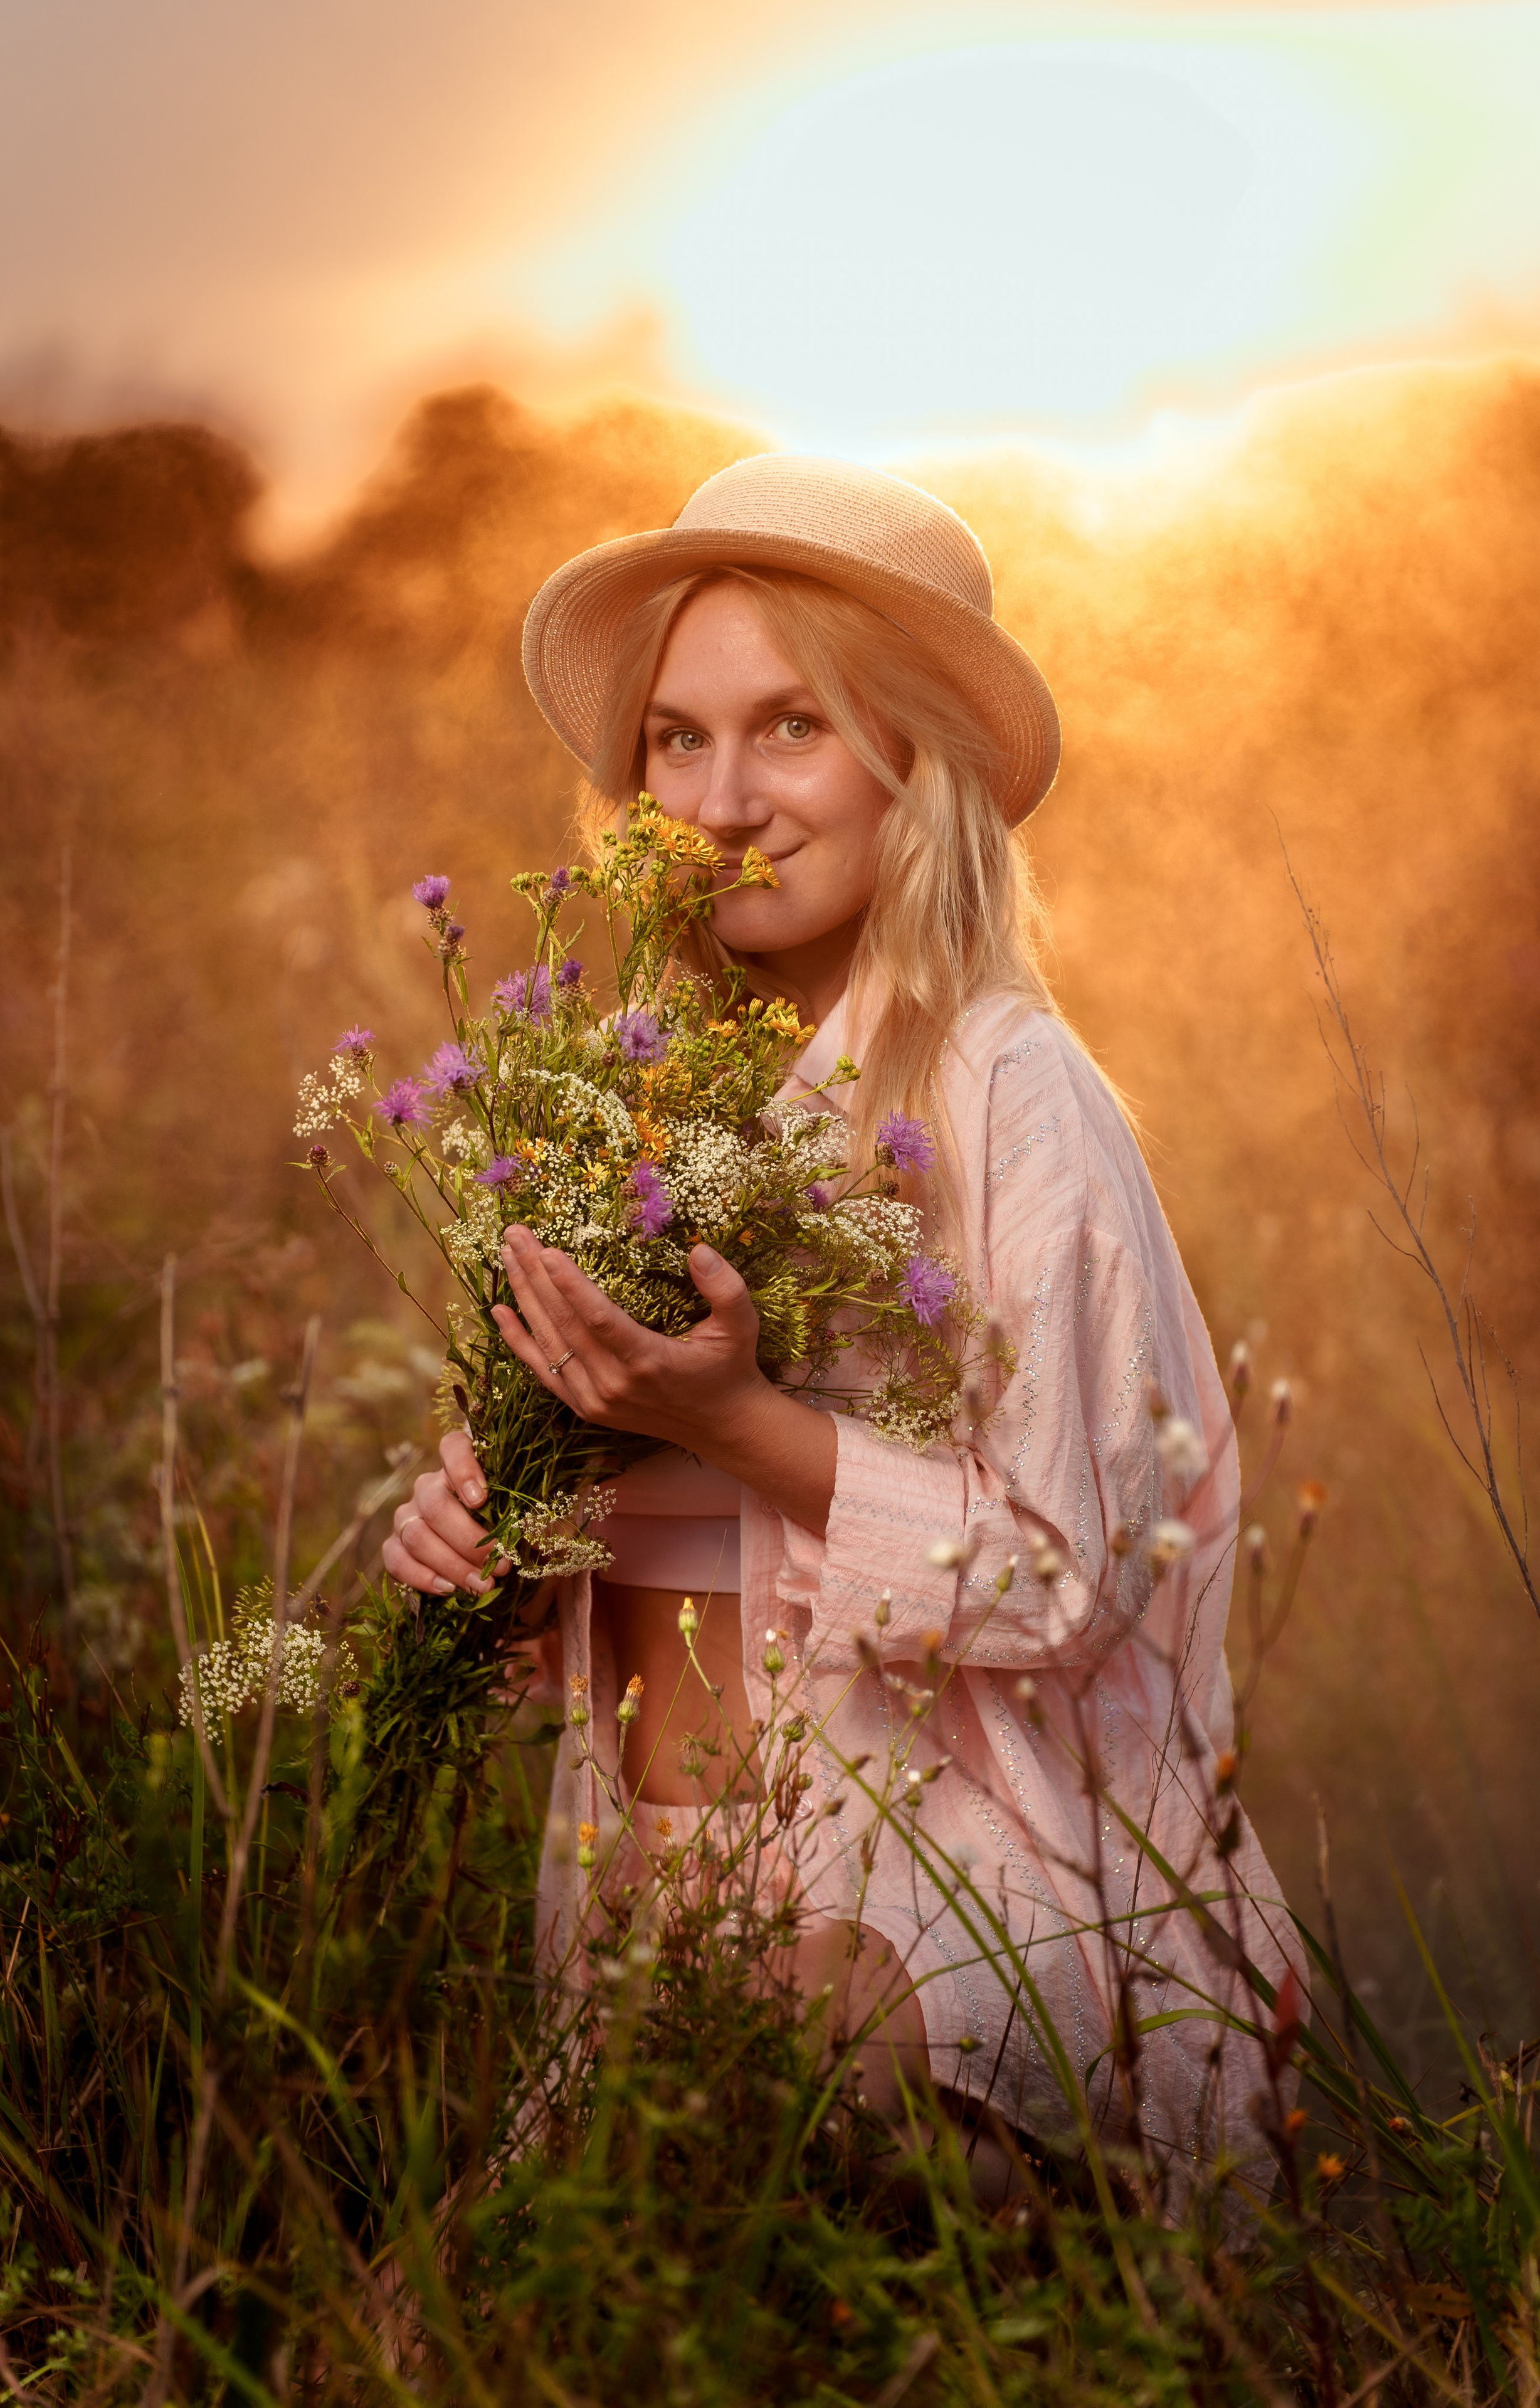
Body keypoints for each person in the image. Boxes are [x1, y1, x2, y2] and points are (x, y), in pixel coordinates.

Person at [382, 453, 1300, 2203]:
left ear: (913, 766)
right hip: (672, 1907)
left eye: (791, 727)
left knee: (738, 2117)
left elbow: (1064, 1575)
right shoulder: (625, 1129)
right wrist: (499, 1550)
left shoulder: (1006, 1094)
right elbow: (649, 1637)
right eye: (677, 738)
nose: (724, 799)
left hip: (981, 1913)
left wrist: (740, 1424)